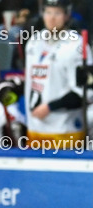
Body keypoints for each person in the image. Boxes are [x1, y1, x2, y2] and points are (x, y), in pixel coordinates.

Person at [24, 0, 89, 148]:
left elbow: (85, 92)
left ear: (67, 15)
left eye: (57, 13)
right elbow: (35, 81)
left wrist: (51, 107)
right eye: (48, 12)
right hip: (34, 130)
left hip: (64, 131)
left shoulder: (76, 46)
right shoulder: (34, 42)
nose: (51, 18)